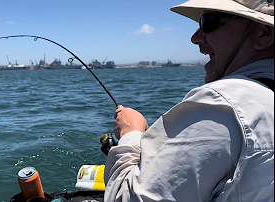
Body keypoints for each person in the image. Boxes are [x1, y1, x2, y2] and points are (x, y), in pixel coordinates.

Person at [104, 0, 274, 201]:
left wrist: (130, 133)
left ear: (263, 34)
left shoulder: (222, 104)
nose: (195, 37)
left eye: (208, 22)